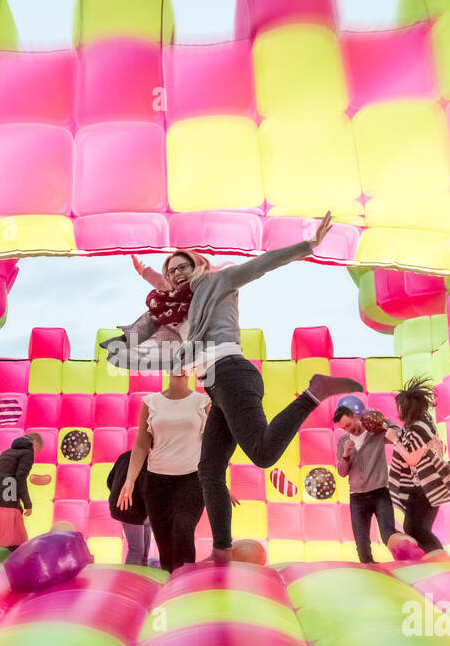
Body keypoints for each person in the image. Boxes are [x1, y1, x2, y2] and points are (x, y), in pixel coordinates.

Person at [106, 212, 363, 563]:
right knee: (209, 470)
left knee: (262, 453)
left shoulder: (220, 282)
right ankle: (222, 551)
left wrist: (309, 245)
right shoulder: (181, 307)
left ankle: (313, 393)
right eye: (171, 271)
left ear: (199, 266)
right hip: (216, 385)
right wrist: (148, 276)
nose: (176, 274)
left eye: (183, 267)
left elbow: (261, 265)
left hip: (231, 372)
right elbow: (165, 294)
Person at [116, 371, 210, 571]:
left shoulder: (202, 402)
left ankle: (184, 587)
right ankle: (170, 584)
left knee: (183, 530)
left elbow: (212, 446)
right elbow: (141, 445)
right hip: (157, 483)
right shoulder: (151, 402)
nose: (181, 367)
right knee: (165, 544)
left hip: (191, 481)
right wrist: (130, 480)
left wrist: (218, 483)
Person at [385, 377, 450, 553]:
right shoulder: (421, 425)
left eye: (399, 406)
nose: (397, 411)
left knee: (419, 530)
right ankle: (430, 560)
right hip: (423, 485)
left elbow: (412, 459)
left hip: (426, 487)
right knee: (413, 528)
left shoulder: (417, 429)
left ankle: (439, 560)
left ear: (406, 407)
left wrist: (394, 440)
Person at [334, 404, 396, 563]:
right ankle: (372, 579)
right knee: (362, 546)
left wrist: (382, 421)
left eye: (349, 425)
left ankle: (409, 563)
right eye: (344, 428)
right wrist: (346, 454)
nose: (348, 430)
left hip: (380, 493)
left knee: (389, 535)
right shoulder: (343, 441)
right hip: (357, 499)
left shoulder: (375, 433)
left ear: (356, 416)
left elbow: (398, 434)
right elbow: (342, 472)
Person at [0, 432, 44, 550]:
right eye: (39, 449)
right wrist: (28, 504)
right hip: (7, 504)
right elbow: (20, 477)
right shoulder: (28, 453)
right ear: (34, 443)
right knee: (14, 545)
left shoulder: (7, 452)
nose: (37, 453)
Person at [106, 449, 151, 566]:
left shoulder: (125, 456)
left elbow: (110, 480)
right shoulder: (150, 460)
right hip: (131, 508)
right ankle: (132, 579)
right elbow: (145, 489)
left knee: (142, 546)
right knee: (137, 550)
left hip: (128, 505)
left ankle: (143, 571)